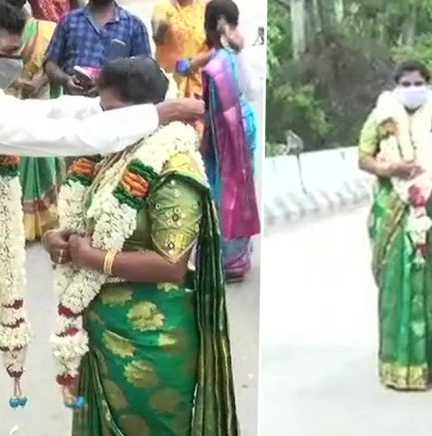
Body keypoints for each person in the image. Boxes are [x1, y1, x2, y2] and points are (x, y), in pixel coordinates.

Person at [0, 1, 205, 434]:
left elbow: (39, 112)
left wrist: (103, 107)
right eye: (9, 53)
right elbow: (58, 134)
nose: (19, 64)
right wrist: (157, 114)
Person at [43, 56, 238, 436]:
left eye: (113, 112)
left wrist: (93, 258)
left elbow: (171, 264)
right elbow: (86, 220)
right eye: (102, 111)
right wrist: (59, 238)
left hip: (151, 338)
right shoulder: (109, 155)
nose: (105, 121)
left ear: (147, 112)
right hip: (100, 327)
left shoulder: (174, 169)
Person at [357, 60, 432, 390]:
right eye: (405, 84)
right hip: (393, 209)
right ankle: (398, 366)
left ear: (429, 85)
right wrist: (391, 170)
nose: (412, 89)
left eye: (418, 83)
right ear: (395, 87)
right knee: (396, 285)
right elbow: (363, 157)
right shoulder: (381, 115)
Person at [200, 0, 261, 282]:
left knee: (223, 189)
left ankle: (228, 256)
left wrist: (204, 139)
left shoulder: (215, 64)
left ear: (207, 27)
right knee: (240, 185)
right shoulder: (235, 55)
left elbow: (210, 110)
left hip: (223, 131)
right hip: (244, 126)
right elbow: (254, 91)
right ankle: (238, 253)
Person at [6, 0, 65, 241]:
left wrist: (29, 82)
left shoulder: (44, 29)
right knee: (35, 155)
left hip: (26, 102)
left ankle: (25, 219)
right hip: (27, 103)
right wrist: (34, 81)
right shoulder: (46, 29)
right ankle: (33, 218)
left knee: (31, 156)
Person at [44, 0, 152, 97]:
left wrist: (110, 87)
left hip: (117, 108)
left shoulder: (134, 26)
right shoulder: (68, 21)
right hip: (75, 106)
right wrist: (66, 80)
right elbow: (50, 64)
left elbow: (145, 73)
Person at [152, 0, 207, 99]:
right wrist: (162, 29)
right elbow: (158, 40)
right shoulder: (163, 9)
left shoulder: (206, 5)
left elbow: (218, 43)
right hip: (175, 78)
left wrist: (196, 62)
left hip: (205, 74)